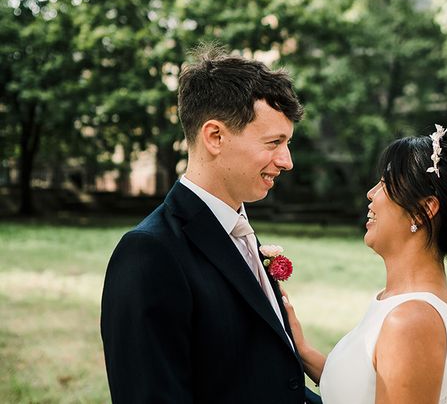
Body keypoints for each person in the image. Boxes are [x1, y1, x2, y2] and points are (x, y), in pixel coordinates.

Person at [100, 45, 321, 404]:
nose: (287, 161)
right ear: (215, 136)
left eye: (288, 142)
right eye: (274, 142)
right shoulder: (149, 253)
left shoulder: (240, 230)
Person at [283, 125, 447, 404]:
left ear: (424, 209)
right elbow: (359, 390)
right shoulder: (396, 304)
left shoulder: (412, 321)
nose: (371, 193)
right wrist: (303, 350)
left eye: (385, 183)